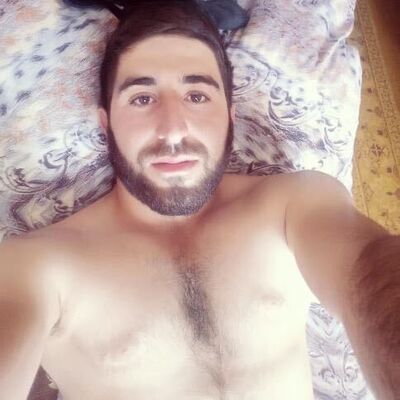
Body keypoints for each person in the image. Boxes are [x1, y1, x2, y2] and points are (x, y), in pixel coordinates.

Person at [0, 1, 398, 399]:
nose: (173, 130)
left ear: (231, 115)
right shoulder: (36, 266)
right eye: (142, 98)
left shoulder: (295, 203)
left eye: (197, 96)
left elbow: (366, 267)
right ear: (106, 123)